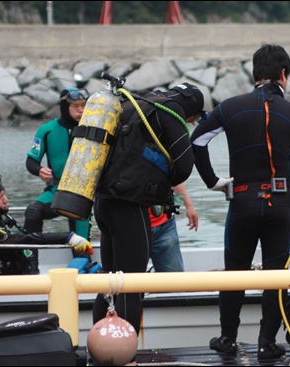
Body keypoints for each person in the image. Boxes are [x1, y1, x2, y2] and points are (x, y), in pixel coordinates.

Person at [189, 44, 290, 360]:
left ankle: (228, 339)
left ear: (255, 73)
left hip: (241, 200)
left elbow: (196, 141)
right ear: (284, 74)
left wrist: (213, 182)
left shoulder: (229, 107)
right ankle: (266, 344)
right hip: (281, 204)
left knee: (235, 274)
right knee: (276, 276)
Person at [91, 82, 206, 356]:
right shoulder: (172, 112)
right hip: (129, 207)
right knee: (132, 284)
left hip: (104, 203)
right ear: (190, 106)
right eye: (193, 117)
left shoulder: (138, 104)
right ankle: (125, 354)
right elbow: (184, 167)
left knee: (110, 281)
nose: (190, 121)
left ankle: (100, 349)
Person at [0, 171, 92, 276]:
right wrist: (68, 237)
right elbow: (25, 240)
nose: (5, 200)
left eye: (4, 194)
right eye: (0, 197)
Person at [24, 87, 92, 274]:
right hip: (57, 190)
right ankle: (30, 267)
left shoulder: (94, 130)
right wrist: (40, 170)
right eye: (75, 106)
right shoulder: (47, 130)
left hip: (82, 194)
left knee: (81, 245)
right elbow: (31, 161)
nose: (81, 110)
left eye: (84, 106)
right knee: (33, 211)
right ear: (64, 107)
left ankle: (84, 269)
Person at [149, 182, 198, 272]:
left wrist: (189, 205)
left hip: (165, 225)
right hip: (132, 226)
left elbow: (174, 178)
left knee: (175, 280)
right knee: (128, 279)